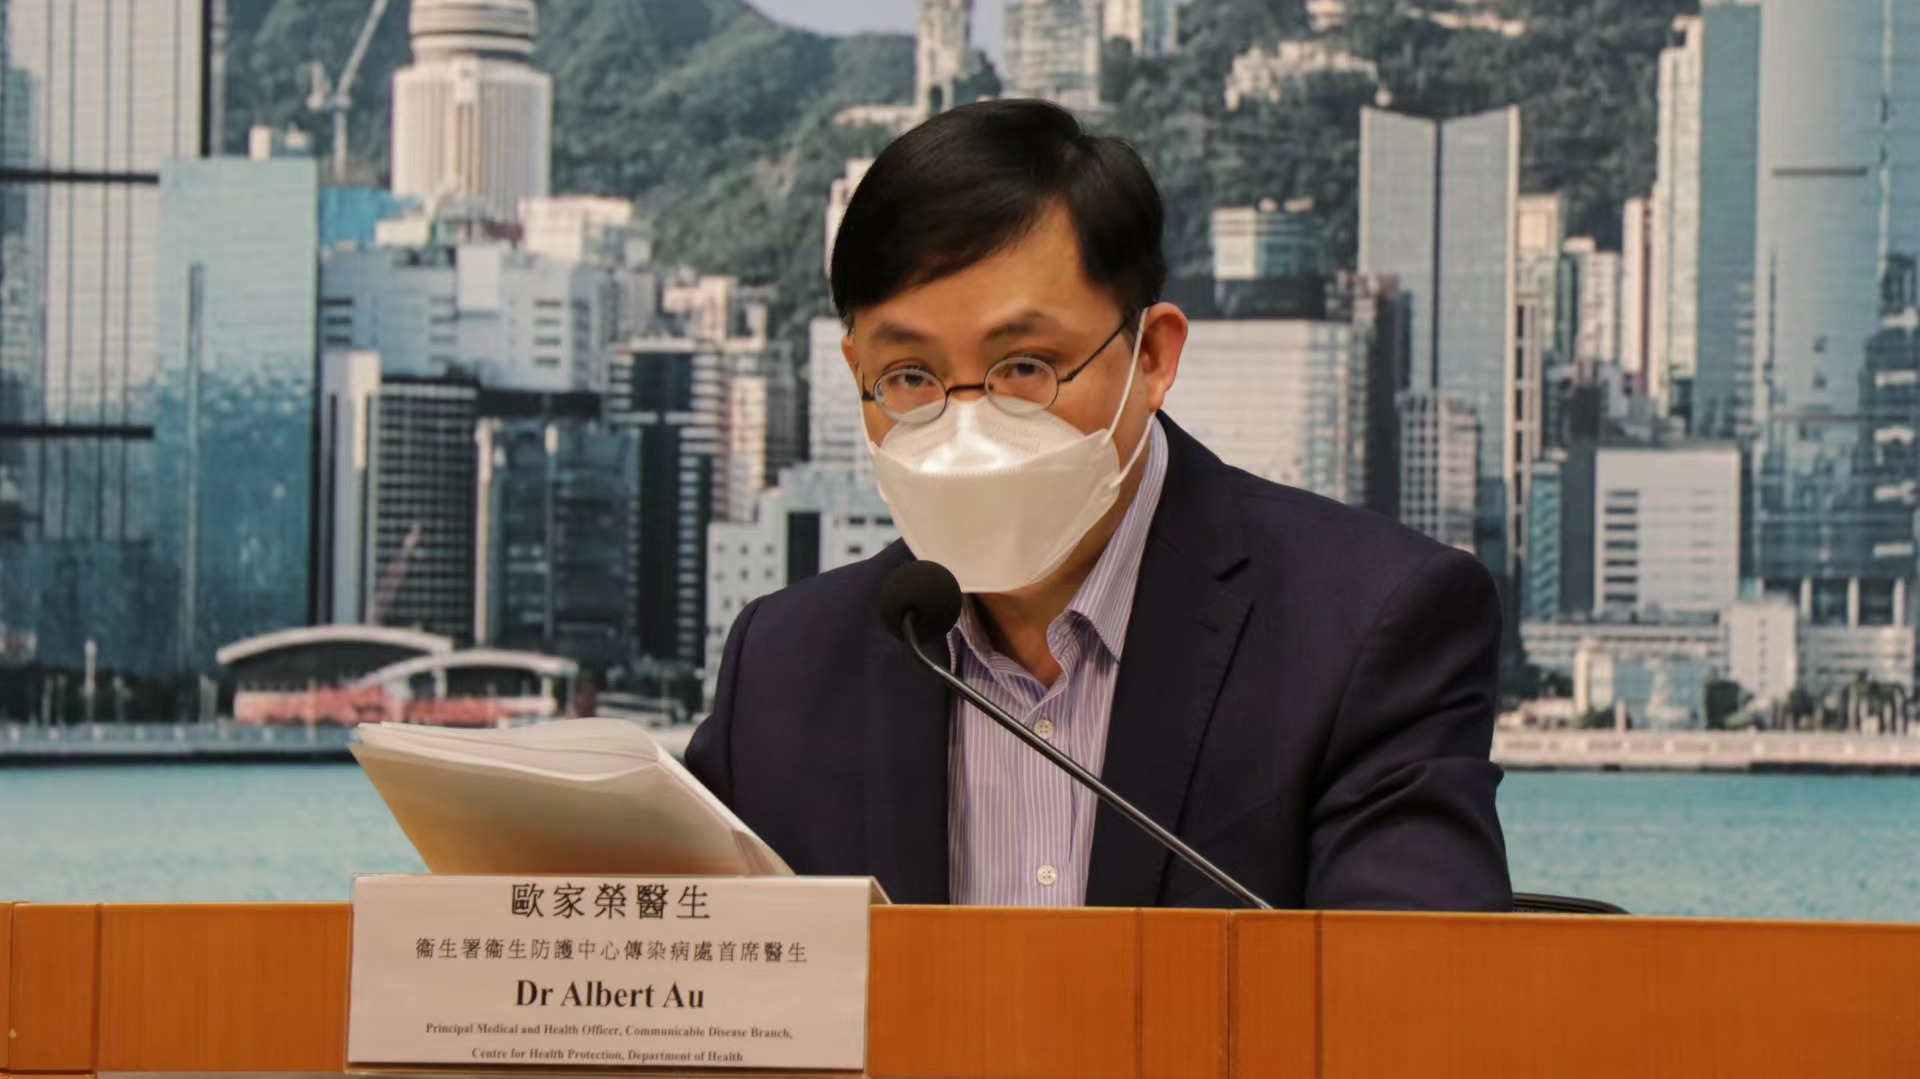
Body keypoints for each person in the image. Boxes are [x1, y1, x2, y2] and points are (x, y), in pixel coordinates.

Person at [686, 99, 1511, 910]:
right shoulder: (784, 665)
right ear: (854, 370)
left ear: (1152, 356)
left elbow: (1413, 980)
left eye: (1024, 368)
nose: (967, 427)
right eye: (910, 377)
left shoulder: (1369, 626)